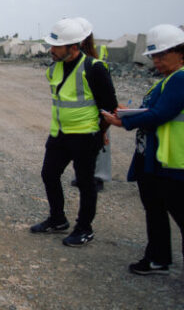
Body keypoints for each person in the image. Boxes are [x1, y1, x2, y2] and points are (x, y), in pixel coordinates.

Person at [102, 24, 184, 275]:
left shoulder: (180, 78)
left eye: (162, 55)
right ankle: (158, 257)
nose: (156, 61)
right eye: (154, 56)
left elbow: (161, 114)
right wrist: (128, 113)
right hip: (155, 159)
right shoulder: (167, 80)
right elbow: (152, 111)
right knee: (155, 211)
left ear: (181, 52)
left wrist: (123, 121)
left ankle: (158, 257)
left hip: (172, 162)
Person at [30, 18, 118, 247]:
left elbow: (109, 105)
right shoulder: (54, 69)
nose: (52, 50)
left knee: (85, 182)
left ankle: (84, 228)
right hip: (59, 134)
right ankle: (58, 219)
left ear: (73, 47)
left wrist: (101, 133)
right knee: (49, 174)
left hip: (85, 136)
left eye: (56, 47)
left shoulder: (94, 68)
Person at [71, 17, 111, 192]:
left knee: (100, 142)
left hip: (96, 107)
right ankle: (83, 174)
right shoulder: (73, 60)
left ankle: (99, 176)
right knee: (80, 145)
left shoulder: (94, 61)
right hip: (80, 109)